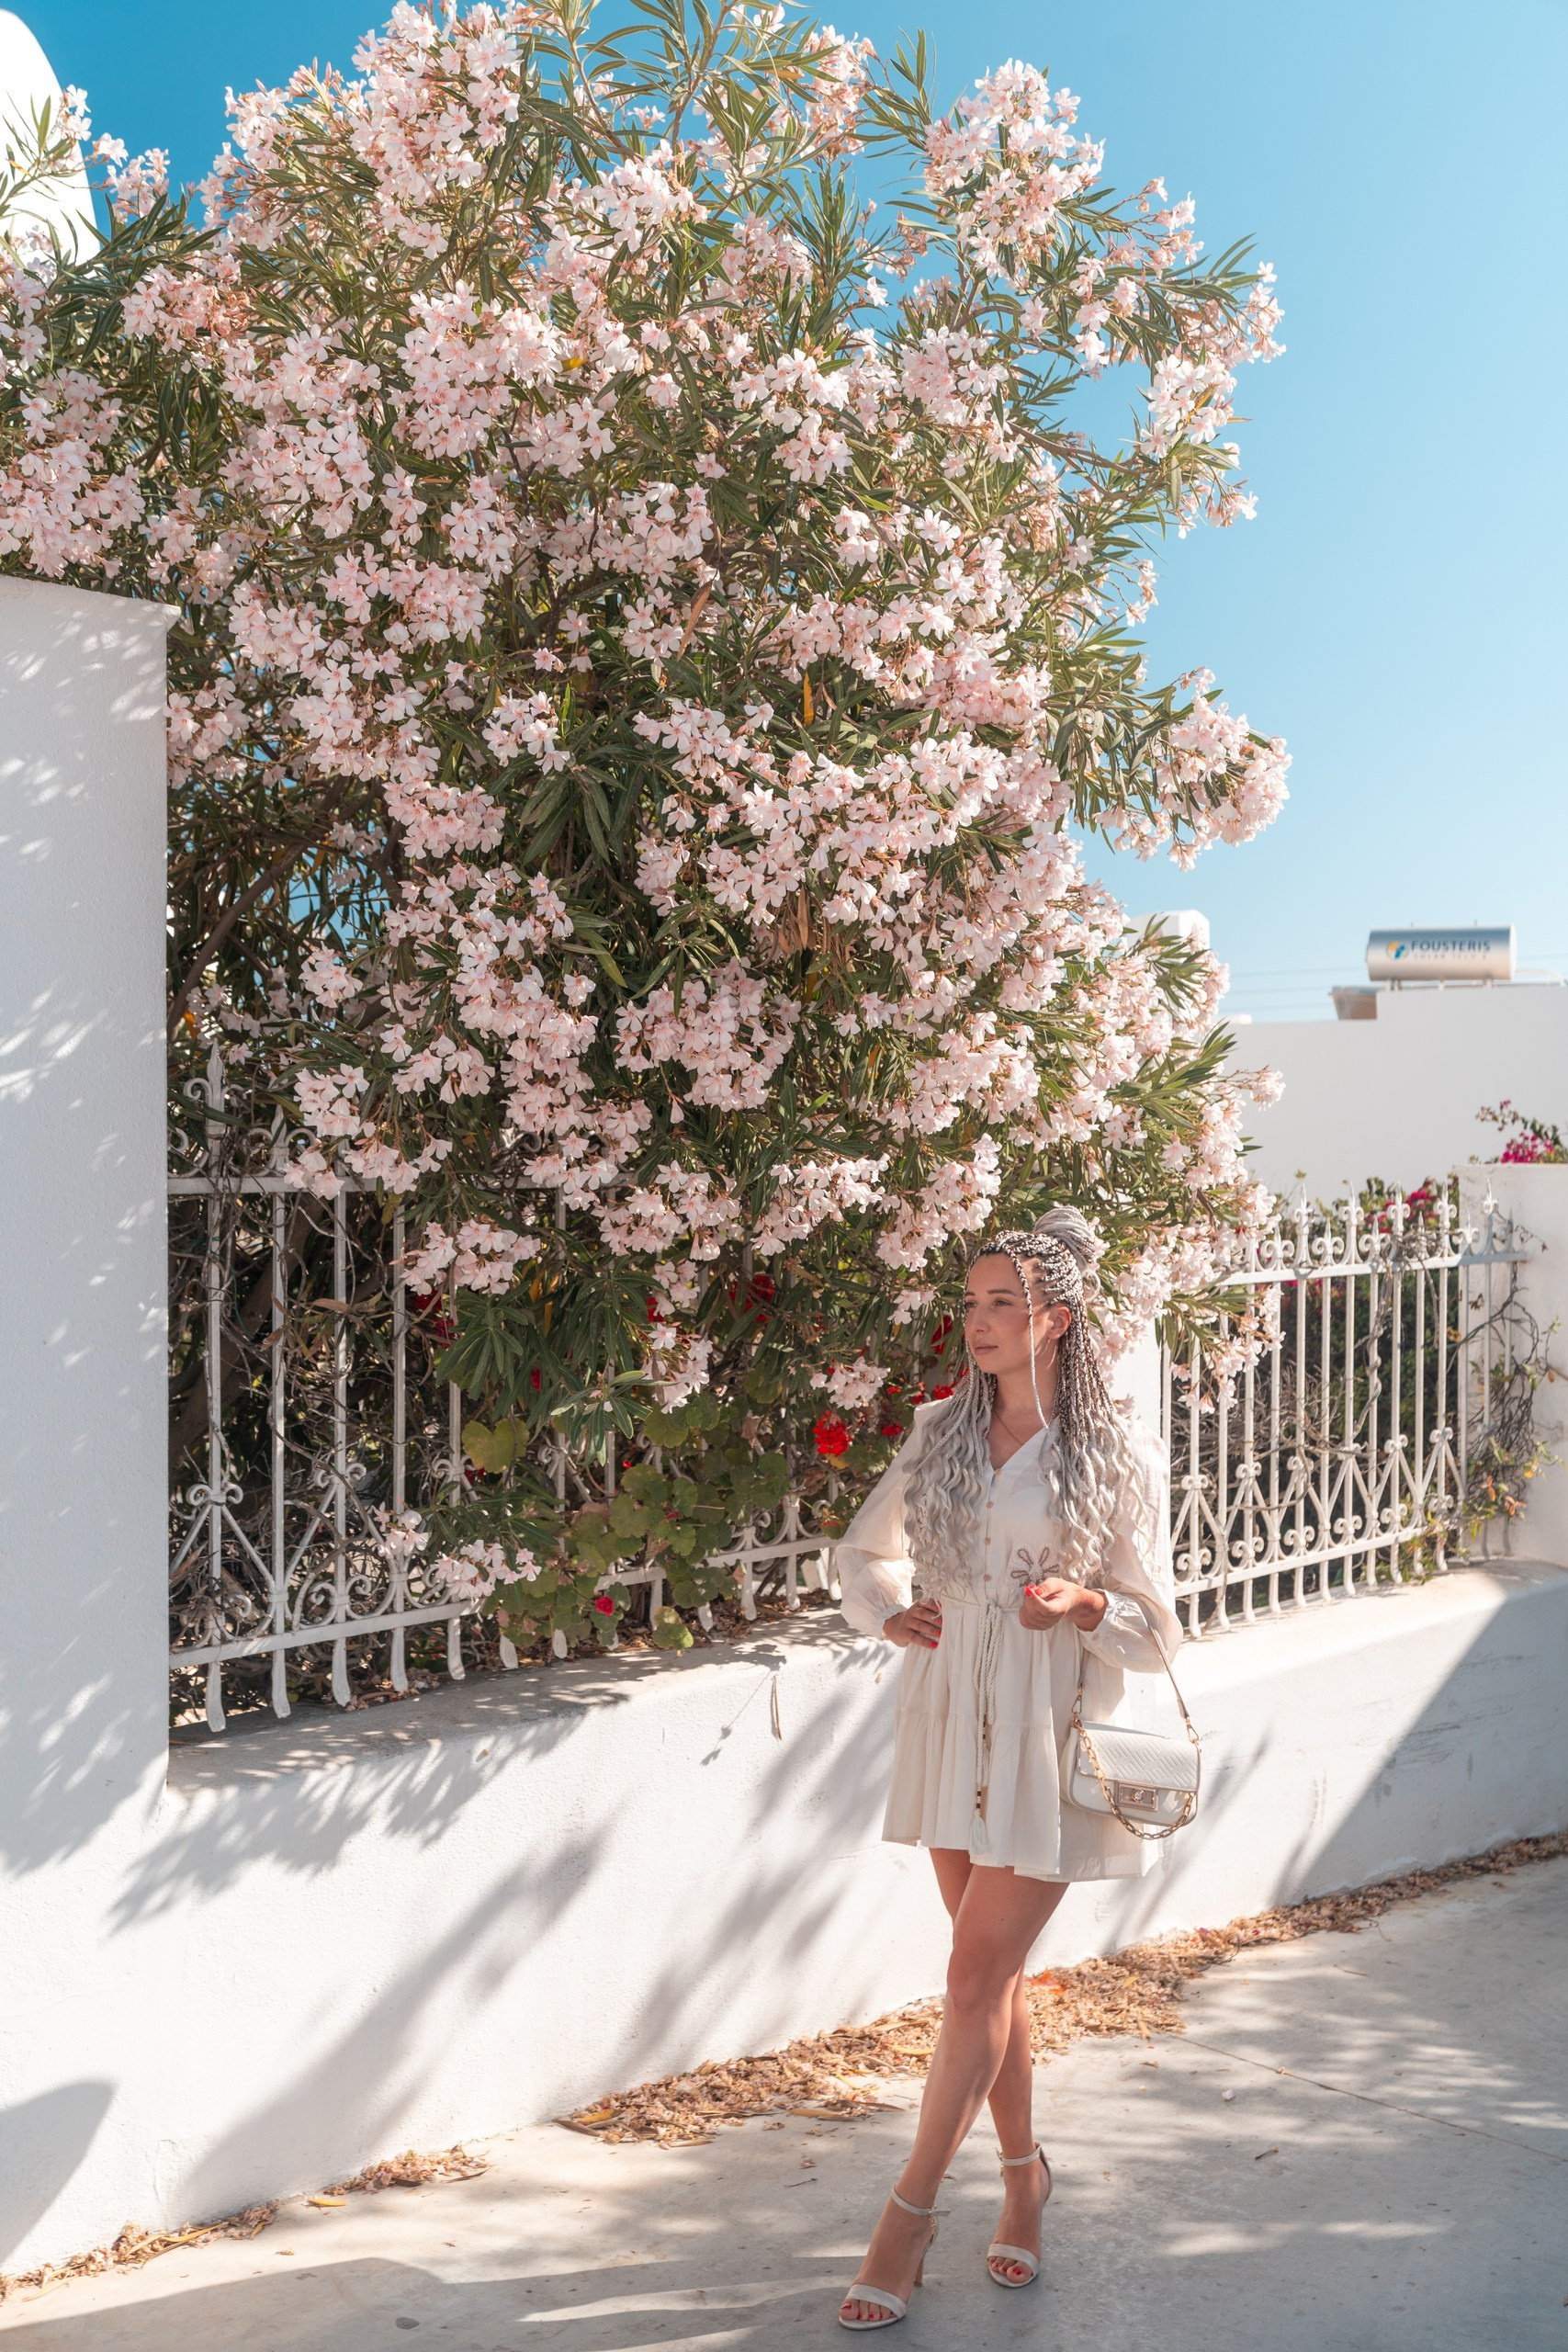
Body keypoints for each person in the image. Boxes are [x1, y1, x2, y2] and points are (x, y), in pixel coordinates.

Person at [834, 1207, 1181, 2331]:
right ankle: (1025, 2176)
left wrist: (1084, 1603)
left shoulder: (1109, 1453)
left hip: (1047, 1724)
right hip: (947, 1713)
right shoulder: (938, 1427)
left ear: (1057, 1320)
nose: (978, 1321)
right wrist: (892, 1616)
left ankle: (908, 2214)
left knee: (975, 1978)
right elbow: (862, 1550)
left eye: (1003, 1303)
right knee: (989, 1979)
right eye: (971, 1301)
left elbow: (1156, 1621)